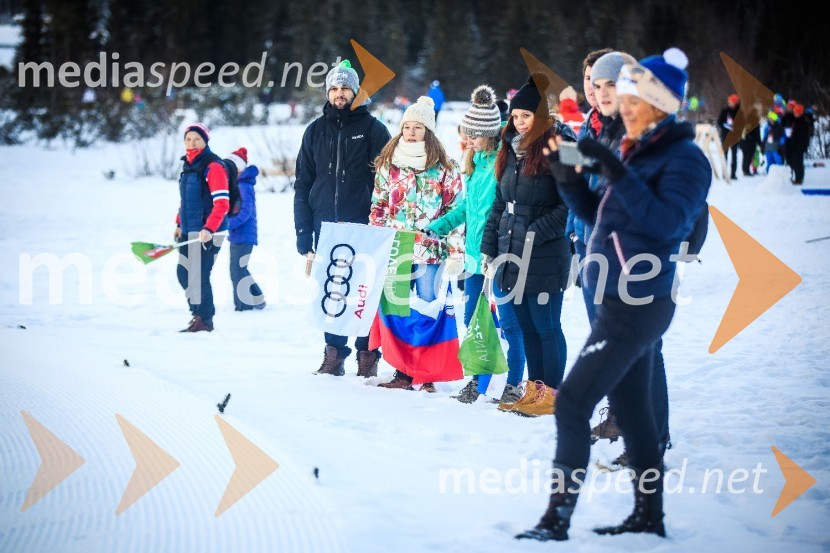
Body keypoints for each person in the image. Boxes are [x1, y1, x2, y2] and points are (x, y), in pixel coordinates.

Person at [516, 48, 711, 542]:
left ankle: (555, 520)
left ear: (663, 103)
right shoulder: (635, 149)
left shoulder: (685, 159)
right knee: (635, 414)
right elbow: (599, 208)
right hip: (611, 293)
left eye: (633, 96)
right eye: (621, 95)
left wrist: (611, 165)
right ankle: (649, 515)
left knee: (573, 402)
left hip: (639, 302)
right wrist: (566, 179)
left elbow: (665, 223)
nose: (622, 105)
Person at [480, 74, 576, 417]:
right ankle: (534, 389)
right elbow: (498, 204)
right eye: (516, 116)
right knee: (526, 324)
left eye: (526, 116)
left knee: (547, 325)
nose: (519, 122)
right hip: (510, 252)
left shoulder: (560, 147)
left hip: (545, 253)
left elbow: (570, 204)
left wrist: (535, 233)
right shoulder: (509, 151)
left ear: (542, 117)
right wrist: (489, 246)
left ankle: (553, 393)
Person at [425, 85, 526, 405]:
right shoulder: (471, 160)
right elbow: (467, 207)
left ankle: (514, 382)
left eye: (473, 134)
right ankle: (477, 381)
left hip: (500, 250)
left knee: (509, 321)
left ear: (489, 133)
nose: (467, 139)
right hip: (472, 254)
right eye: (467, 134)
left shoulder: (503, 159)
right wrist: (438, 226)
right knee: (472, 319)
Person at [293, 59, 392, 376]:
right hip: (326, 227)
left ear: (355, 92)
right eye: (334, 88)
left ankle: (367, 357)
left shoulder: (372, 129)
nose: (339, 93)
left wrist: (381, 219)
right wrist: (302, 232)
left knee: (364, 292)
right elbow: (302, 183)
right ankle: (334, 356)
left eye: (345, 88)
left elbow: (390, 179)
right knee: (332, 290)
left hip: (364, 227)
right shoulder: (314, 131)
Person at [369, 96, 464, 391]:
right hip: (396, 249)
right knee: (396, 310)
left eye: (417, 127)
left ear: (429, 131)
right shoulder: (389, 164)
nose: (410, 132)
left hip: (429, 251)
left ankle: (425, 373)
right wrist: (375, 243)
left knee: (425, 309)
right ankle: (402, 371)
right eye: (406, 126)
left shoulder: (445, 168)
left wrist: (454, 250)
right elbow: (379, 207)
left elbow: (455, 212)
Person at [565, 48, 613, 322]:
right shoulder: (585, 128)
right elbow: (577, 179)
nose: (595, 88)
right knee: (597, 325)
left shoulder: (624, 128)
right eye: (589, 79)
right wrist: (572, 230)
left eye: (605, 81)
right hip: (585, 240)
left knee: (627, 338)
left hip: (615, 246)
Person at [175, 122, 229, 332]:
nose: (192, 143)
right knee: (184, 272)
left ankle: (205, 320)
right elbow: (185, 200)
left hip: (209, 232)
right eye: (188, 139)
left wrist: (209, 229)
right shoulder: (188, 165)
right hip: (190, 230)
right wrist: (178, 223)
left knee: (199, 274)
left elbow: (222, 203)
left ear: (205, 141)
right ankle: (197, 313)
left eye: (197, 139)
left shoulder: (213, 166)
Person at [226, 147, 265, 311]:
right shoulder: (238, 184)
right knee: (240, 268)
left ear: (240, 167)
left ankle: (244, 306)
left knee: (237, 270)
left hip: (244, 234)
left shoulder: (243, 186)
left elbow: (246, 212)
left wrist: (228, 224)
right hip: (238, 235)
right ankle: (257, 299)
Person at [717, 93, 741, 179]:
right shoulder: (724, 111)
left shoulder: (739, 111)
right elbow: (719, 122)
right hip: (725, 135)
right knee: (724, 155)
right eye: (730, 102)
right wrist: (725, 126)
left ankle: (733, 174)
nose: (730, 103)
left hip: (735, 136)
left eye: (732, 102)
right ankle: (724, 173)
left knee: (734, 156)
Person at [787, 104, 811, 184]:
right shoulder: (795, 121)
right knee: (793, 162)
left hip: (799, 147)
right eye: (794, 112)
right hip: (793, 146)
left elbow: (804, 137)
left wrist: (801, 147)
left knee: (798, 163)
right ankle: (796, 177)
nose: (795, 113)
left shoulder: (803, 122)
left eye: (796, 112)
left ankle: (799, 179)